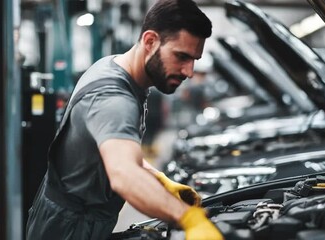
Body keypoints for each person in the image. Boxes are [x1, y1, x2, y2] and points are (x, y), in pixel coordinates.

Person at [26, 0, 223, 239]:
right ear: (150, 41)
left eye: (194, 60)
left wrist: (159, 181)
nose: (189, 71)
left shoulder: (114, 67)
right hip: (69, 230)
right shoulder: (113, 99)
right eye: (181, 56)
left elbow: (116, 152)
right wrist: (188, 218)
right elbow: (123, 174)